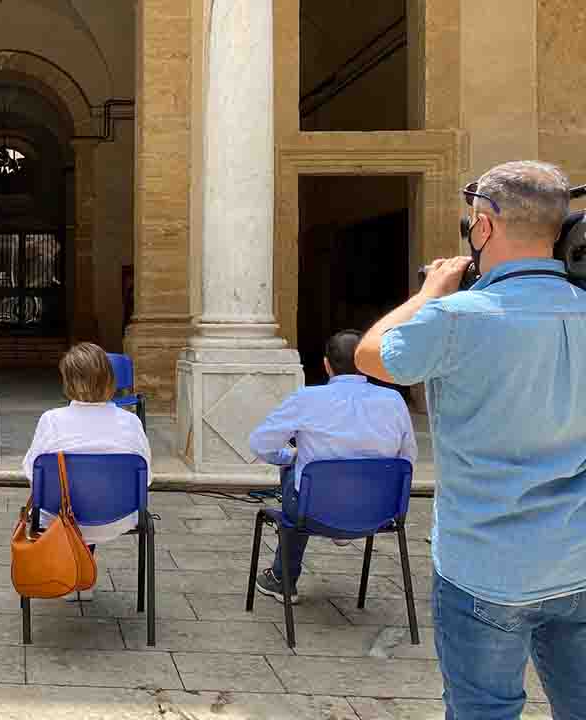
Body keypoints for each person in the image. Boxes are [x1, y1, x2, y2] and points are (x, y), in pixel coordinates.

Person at [355, 161, 586, 719]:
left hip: (485, 564)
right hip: (578, 559)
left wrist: (432, 290)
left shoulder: (456, 317)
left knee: (483, 710)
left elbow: (370, 352)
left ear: (482, 226)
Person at [248, 330, 416, 604]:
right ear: (368, 363)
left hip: (314, 511)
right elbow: (407, 458)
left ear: (326, 364)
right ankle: (345, 519)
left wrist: (290, 457)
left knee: (296, 472)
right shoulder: (394, 401)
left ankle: (283, 579)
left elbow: (259, 443)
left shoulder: (307, 399)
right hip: (379, 512)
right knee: (319, 474)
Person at [22, 342, 152, 602]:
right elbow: (146, 477)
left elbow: (32, 472)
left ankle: (74, 574)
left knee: (71, 493)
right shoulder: (131, 422)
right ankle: (82, 573)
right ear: (109, 378)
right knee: (92, 490)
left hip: (59, 519)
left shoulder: (52, 421)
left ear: (67, 381)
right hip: (119, 517)